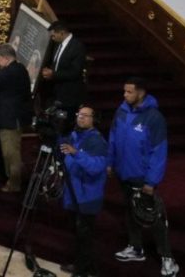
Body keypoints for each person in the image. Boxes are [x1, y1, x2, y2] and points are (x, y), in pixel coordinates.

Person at [109, 77, 178, 275]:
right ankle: (135, 247)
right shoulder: (121, 111)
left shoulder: (154, 118)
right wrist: (110, 163)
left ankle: (168, 258)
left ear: (141, 92)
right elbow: (113, 138)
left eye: (129, 92)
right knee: (130, 213)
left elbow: (159, 152)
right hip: (124, 174)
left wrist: (151, 181)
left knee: (153, 217)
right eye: (124, 91)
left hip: (143, 178)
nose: (125, 95)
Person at [59, 106, 108, 277]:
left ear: (94, 119)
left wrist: (76, 153)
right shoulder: (74, 135)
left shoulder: (97, 141)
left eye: (86, 116)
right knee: (78, 235)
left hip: (88, 197)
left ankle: (81, 271)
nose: (81, 118)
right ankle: (83, 266)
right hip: (73, 194)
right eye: (79, 115)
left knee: (84, 236)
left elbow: (96, 168)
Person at [0, 43, 31, 193]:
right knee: (10, 152)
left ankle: (14, 183)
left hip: (10, 120)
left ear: (6, 58)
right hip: (13, 117)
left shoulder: (10, 72)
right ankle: (13, 178)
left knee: (10, 153)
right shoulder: (19, 68)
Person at [40, 20, 87, 114]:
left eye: (53, 36)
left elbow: (75, 72)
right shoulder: (58, 44)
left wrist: (53, 74)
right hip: (55, 93)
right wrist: (49, 71)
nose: (52, 38)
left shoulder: (77, 47)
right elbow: (56, 62)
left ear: (62, 33)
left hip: (69, 95)